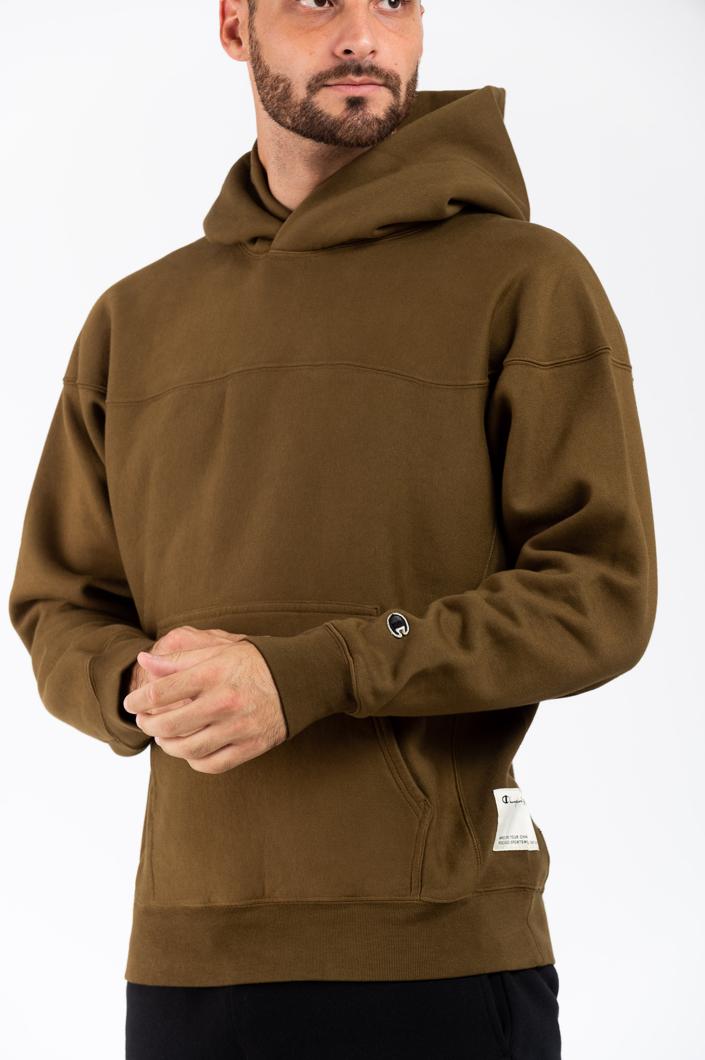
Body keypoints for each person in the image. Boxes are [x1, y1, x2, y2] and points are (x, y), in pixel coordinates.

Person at [8, 0, 657, 1057]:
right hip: (188, 959)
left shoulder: (525, 281)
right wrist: (137, 682)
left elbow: (599, 594)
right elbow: (59, 602)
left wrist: (319, 670)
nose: (361, 33)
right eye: (317, 0)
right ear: (235, 26)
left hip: (438, 953)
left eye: (392, 1)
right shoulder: (135, 319)